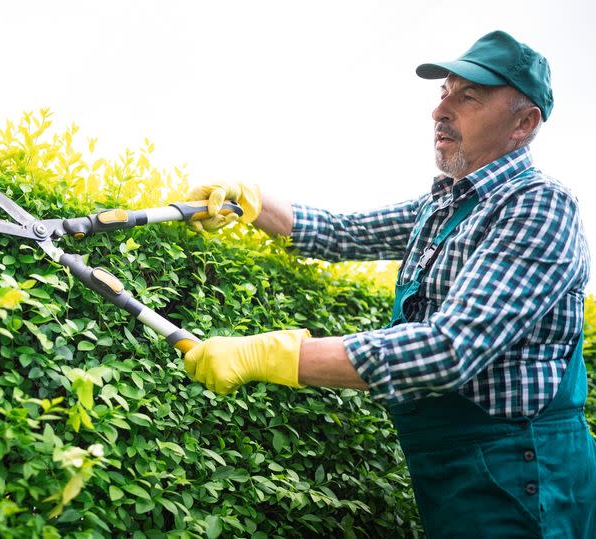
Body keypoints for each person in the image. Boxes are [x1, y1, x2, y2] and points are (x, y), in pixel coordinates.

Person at [183, 30, 596, 537]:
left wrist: (272, 356)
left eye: (468, 97)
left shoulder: (538, 205)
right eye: (445, 92)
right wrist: (248, 202)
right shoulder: (444, 203)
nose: (441, 111)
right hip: (457, 470)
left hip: (524, 475)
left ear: (523, 122)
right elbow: (343, 232)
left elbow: (450, 349)